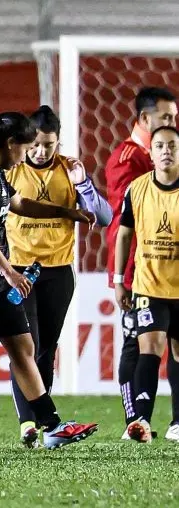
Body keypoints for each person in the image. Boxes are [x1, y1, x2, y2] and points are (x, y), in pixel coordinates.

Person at [0, 113, 99, 449]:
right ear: (11, 145)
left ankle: (51, 425)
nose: (27, 155)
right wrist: (9, 271)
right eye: (26, 147)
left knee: (23, 347)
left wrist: (65, 212)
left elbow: (21, 205)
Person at [6, 106, 112, 445]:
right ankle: (28, 422)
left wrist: (85, 185)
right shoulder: (12, 170)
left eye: (48, 145)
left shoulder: (70, 170)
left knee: (47, 348)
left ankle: (44, 422)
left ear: (58, 143)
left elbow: (103, 216)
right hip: (20, 269)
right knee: (26, 346)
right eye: (36, 144)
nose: (40, 151)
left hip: (58, 270)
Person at [105, 86, 179, 438]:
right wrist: (123, 276)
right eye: (166, 118)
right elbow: (124, 226)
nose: (171, 125)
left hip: (165, 274)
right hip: (141, 272)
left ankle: (170, 420)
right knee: (140, 343)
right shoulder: (130, 164)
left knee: (162, 346)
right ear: (145, 121)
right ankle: (136, 418)